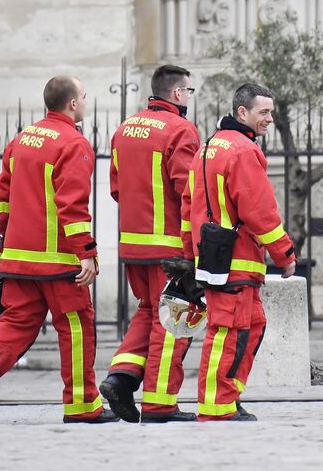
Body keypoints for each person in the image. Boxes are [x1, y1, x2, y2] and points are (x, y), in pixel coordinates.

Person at [0, 77, 114, 424]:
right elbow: (72, 207)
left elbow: (3, 199)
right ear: (71, 104)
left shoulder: (22, 139)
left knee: (16, 323)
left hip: (19, 259)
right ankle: (83, 406)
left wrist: (5, 246)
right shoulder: (74, 144)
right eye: (83, 96)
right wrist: (86, 253)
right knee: (77, 326)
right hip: (59, 262)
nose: (85, 101)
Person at [182, 83, 298, 421]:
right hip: (238, 259)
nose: (270, 119)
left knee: (252, 325)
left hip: (213, 257)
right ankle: (217, 406)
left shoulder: (206, 148)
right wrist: (285, 254)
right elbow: (259, 210)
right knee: (228, 331)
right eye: (264, 112)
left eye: (271, 112)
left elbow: (188, 207)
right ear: (242, 113)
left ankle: (227, 399)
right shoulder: (244, 151)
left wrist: (191, 255)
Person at [98, 65, 201, 423]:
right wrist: (194, 248)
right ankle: (159, 403)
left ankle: (120, 379)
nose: (189, 97)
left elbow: (115, 189)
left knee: (147, 311)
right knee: (174, 321)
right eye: (188, 91)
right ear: (176, 94)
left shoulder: (124, 129)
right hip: (169, 248)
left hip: (132, 245)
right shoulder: (181, 131)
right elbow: (189, 192)